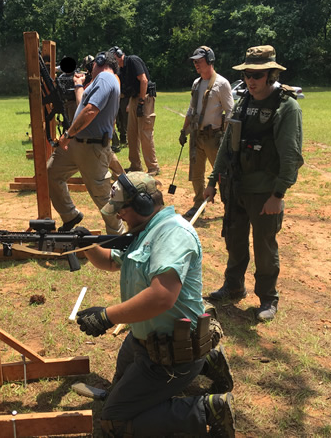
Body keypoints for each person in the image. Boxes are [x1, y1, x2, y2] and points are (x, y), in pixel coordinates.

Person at [75, 172, 236, 437]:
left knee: (114, 421)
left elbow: (162, 296)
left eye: (121, 209)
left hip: (173, 352)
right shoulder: (143, 230)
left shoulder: (172, 234)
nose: (117, 216)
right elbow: (111, 261)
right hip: (148, 340)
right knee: (117, 390)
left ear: (143, 205)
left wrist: (107, 316)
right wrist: (87, 244)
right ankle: (209, 360)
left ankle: (206, 410)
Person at [204, 45, 304, 322]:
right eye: (248, 74)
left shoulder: (286, 106)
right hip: (236, 186)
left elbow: (291, 155)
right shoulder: (243, 101)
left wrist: (278, 194)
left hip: (264, 191)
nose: (251, 80)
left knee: (264, 246)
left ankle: (268, 298)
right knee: (234, 240)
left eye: (257, 75)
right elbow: (227, 144)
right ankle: (234, 285)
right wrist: (213, 180)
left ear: (271, 74)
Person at [47, 51, 125, 234]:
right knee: (52, 173)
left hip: (92, 146)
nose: (90, 70)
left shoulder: (105, 77)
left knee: (103, 197)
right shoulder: (100, 81)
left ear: (100, 62)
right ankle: (70, 215)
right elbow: (83, 104)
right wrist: (79, 85)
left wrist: (67, 134)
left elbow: (90, 111)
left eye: (92, 67)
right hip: (79, 143)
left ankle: (119, 236)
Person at [179, 46, 234, 220]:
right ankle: (197, 205)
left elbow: (230, 111)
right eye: (194, 62)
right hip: (197, 135)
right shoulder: (196, 83)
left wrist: (226, 137)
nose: (196, 64)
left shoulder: (222, 84)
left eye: (199, 61)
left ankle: (230, 205)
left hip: (213, 136)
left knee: (220, 173)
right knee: (196, 173)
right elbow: (191, 110)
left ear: (209, 61)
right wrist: (184, 130)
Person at [110, 46, 160, 176]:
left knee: (145, 133)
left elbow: (144, 80)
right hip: (133, 99)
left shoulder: (132, 61)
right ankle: (135, 165)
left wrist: (141, 101)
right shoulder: (120, 70)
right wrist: (131, 104)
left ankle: (153, 167)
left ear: (119, 55)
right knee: (131, 134)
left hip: (145, 97)